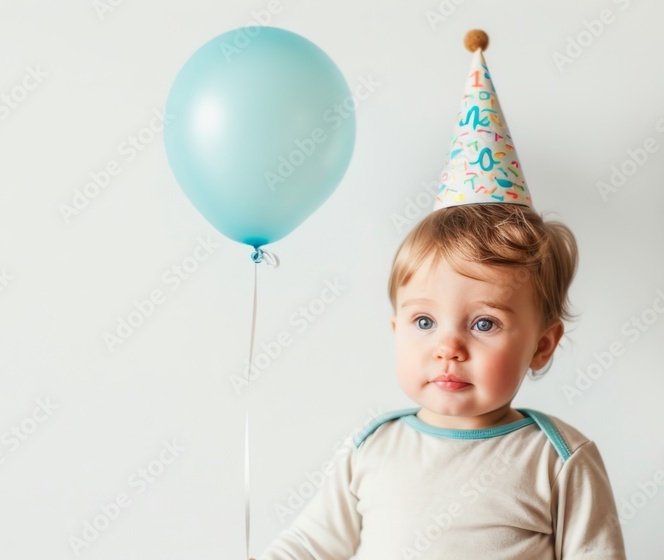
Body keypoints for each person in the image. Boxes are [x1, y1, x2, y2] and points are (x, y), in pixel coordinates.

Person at [254, 29, 626, 560]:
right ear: (396, 330)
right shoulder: (373, 448)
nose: (447, 348)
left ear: (543, 345)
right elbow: (314, 544)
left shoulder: (558, 458)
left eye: (484, 323)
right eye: (424, 322)